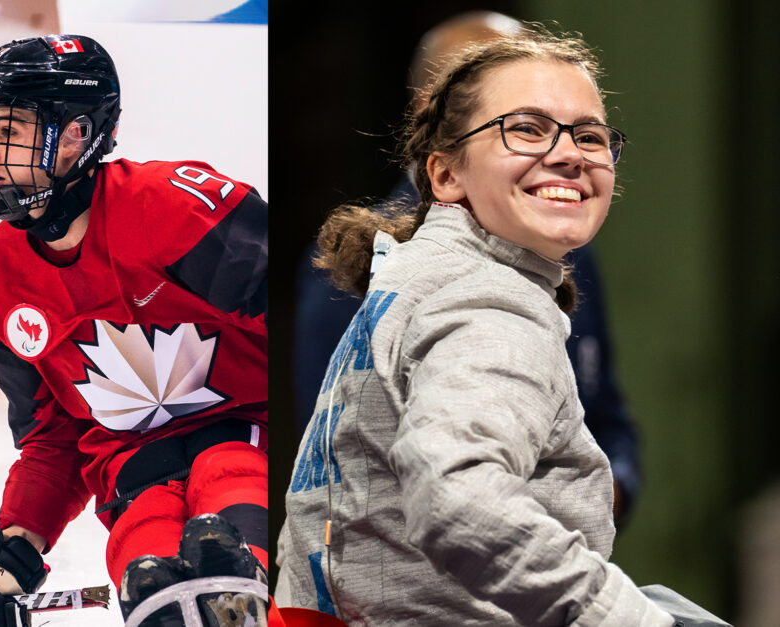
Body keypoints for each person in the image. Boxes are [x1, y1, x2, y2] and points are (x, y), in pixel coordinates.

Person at [276, 26, 677, 625]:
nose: (569, 152)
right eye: (527, 129)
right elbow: (456, 495)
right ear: (444, 175)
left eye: (589, 135)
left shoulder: (414, 267)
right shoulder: (490, 304)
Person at [0, 35, 268, 627]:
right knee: (149, 553)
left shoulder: (174, 211)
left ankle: (249, 586)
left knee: (229, 484)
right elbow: (53, 435)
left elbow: (318, 333)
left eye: (9, 132)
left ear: (76, 135)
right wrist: (17, 546)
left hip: (255, 437)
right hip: (136, 472)